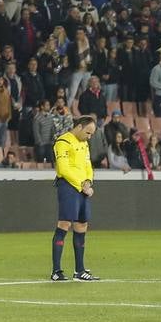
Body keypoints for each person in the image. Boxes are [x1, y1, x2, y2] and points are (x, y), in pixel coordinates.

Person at [51, 114, 99, 282]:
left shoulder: (84, 144)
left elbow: (87, 165)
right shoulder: (63, 142)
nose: (89, 136)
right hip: (68, 187)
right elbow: (63, 169)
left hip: (82, 188)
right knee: (64, 223)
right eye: (88, 132)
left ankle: (79, 270)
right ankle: (56, 271)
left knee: (82, 225)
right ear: (79, 127)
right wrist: (82, 185)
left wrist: (88, 181)